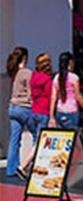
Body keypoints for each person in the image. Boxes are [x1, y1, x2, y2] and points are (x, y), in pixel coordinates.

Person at [17, 53, 54, 179]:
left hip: (35, 111)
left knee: (37, 140)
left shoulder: (34, 77)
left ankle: (36, 166)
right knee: (40, 142)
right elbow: (50, 97)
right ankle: (23, 166)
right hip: (44, 112)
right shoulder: (47, 80)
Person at [6, 46, 33, 179]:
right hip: (24, 107)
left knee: (14, 139)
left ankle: (11, 169)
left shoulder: (13, 72)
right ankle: (29, 165)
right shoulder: (27, 73)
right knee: (38, 135)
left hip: (13, 107)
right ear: (25, 58)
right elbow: (31, 92)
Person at [49, 52, 83, 130]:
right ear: (70, 62)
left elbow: (53, 97)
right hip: (72, 111)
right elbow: (78, 96)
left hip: (59, 111)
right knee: (74, 136)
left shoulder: (56, 78)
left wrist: (51, 116)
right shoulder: (74, 78)